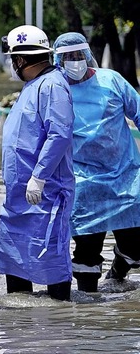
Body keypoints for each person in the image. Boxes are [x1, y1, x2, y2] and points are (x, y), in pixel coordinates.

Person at [53, 32, 140, 291]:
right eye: (67, 57)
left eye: (78, 55)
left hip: (124, 175)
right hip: (82, 181)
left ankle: (118, 270)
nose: (74, 61)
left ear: (88, 55)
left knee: (136, 246)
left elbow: (138, 113)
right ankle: (88, 313)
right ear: (58, 60)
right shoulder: (56, 90)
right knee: (86, 251)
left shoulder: (111, 81)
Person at [0, 25, 75, 301]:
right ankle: (21, 331)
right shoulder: (33, 86)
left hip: (45, 193)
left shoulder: (52, 85)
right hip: (19, 197)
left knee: (51, 258)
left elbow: (60, 133)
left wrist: (39, 177)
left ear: (20, 60)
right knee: (15, 261)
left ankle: (60, 323)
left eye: (12, 59)